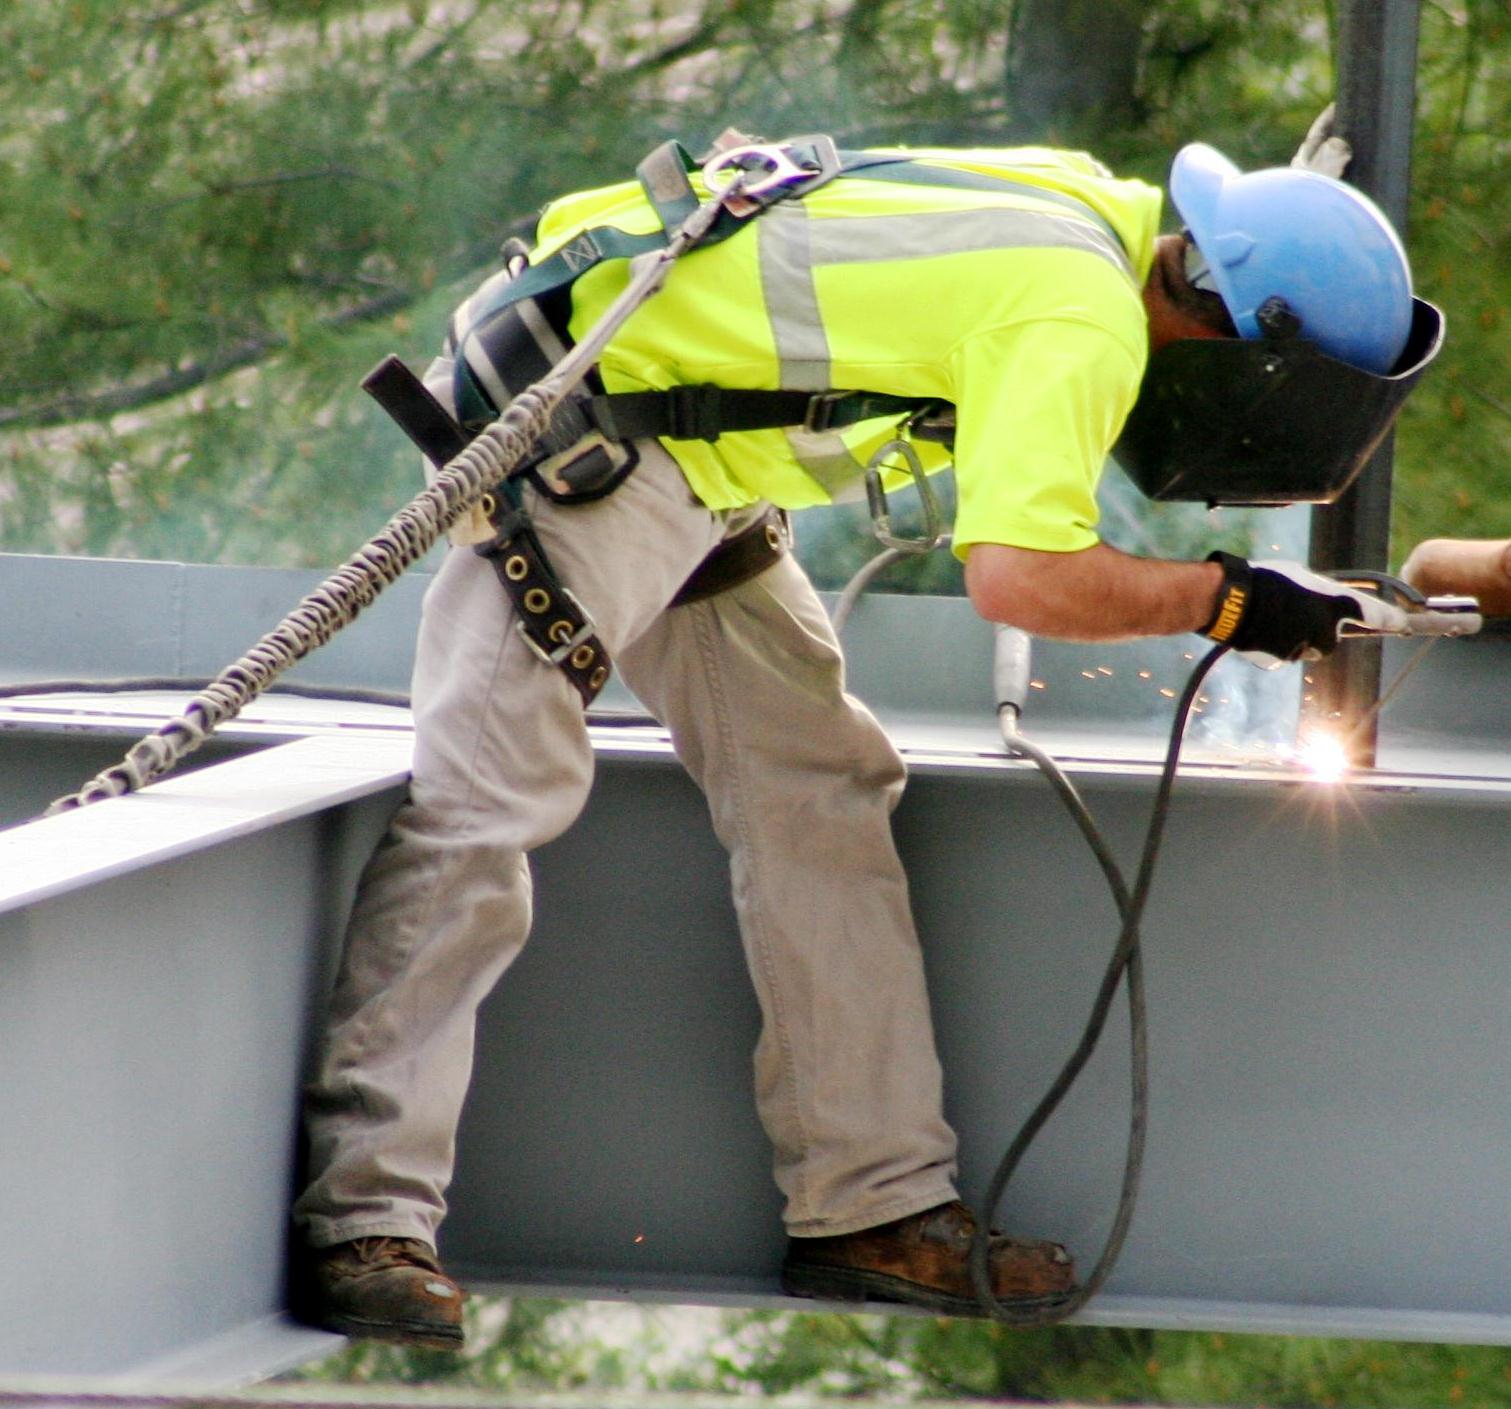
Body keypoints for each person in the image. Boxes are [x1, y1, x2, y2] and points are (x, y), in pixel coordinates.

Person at [291, 127, 1421, 1349]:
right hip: (586, 419)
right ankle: (364, 1218)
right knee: (483, 806)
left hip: (694, 444)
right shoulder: (1081, 320)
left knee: (817, 781)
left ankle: (866, 1207)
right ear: (1242, 345)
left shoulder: (1092, 197)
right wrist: (1224, 598)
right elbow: (1024, 578)